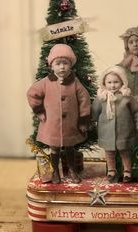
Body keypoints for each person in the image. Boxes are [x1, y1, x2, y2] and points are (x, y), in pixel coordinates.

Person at [27, 44, 91, 184]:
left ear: (71, 65)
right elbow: (32, 94)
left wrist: (83, 120)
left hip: (71, 124)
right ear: (51, 66)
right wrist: (39, 111)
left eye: (65, 63)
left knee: (70, 147)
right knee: (54, 148)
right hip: (51, 124)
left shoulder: (75, 83)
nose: (62, 67)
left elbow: (84, 99)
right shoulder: (45, 83)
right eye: (58, 63)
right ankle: (55, 171)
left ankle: (72, 171)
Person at [92, 66, 138, 183]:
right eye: (109, 82)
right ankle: (111, 171)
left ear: (122, 82)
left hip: (124, 131)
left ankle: (127, 171)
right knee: (109, 152)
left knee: (124, 152)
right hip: (106, 132)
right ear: (104, 83)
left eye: (116, 82)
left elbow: (136, 111)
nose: (112, 85)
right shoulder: (101, 98)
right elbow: (95, 112)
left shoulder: (127, 98)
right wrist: (91, 122)